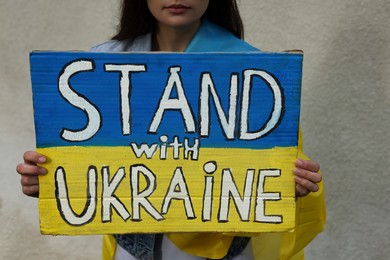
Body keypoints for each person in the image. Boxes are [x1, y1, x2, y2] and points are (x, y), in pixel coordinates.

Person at [17, 1, 325, 259]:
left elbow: (272, 170)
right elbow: (87, 172)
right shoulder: (100, 67)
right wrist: (48, 181)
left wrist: (291, 185)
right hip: (133, 249)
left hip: (227, 249)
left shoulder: (255, 74)